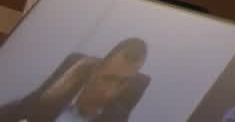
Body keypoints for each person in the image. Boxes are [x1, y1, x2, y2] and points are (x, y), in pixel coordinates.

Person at [0, 38, 150, 122]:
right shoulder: (63, 88)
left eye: (123, 82)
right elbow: (11, 113)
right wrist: (48, 96)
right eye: (108, 79)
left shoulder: (116, 118)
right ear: (95, 70)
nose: (109, 92)